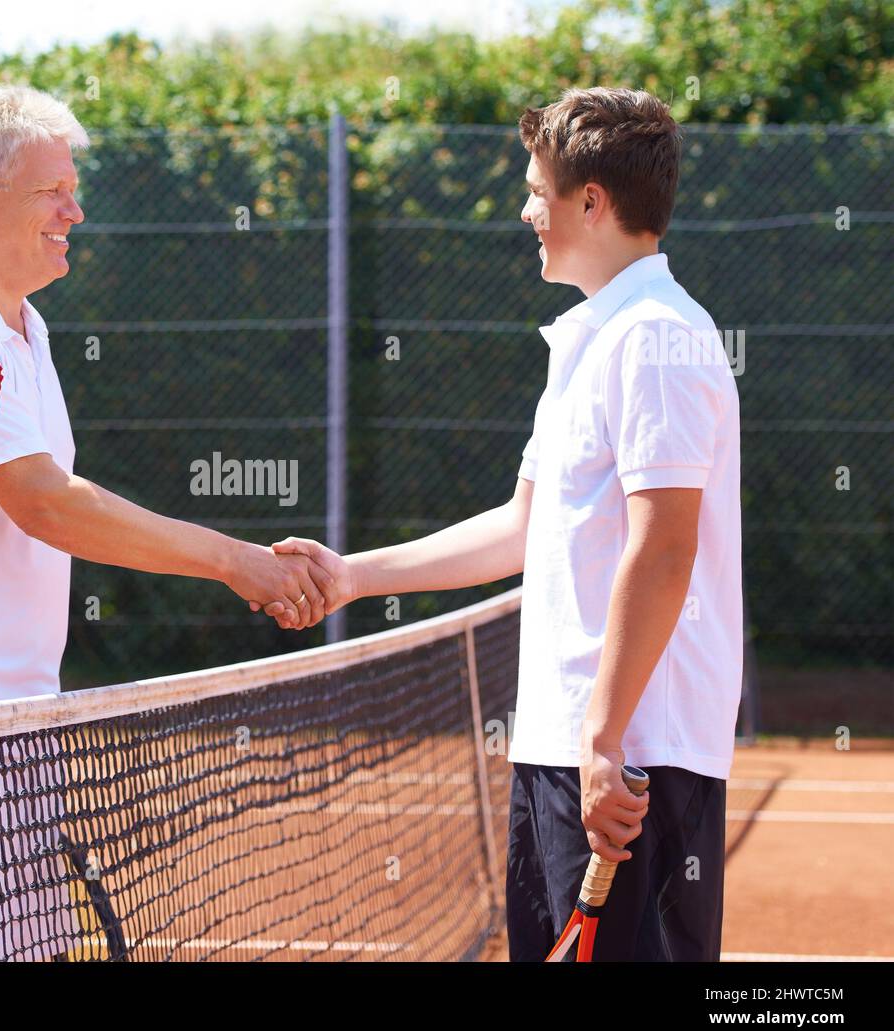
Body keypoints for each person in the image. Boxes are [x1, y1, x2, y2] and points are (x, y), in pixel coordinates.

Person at [0, 85, 335, 959]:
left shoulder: (22, 328)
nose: (76, 208)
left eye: (72, 186)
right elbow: (44, 502)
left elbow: (52, 487)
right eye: (52, 191)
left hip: (11, 717)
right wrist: (235, 562)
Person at [269, 87, 742, 962]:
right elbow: (523, 526)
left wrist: (604, 740)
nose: (525, 211)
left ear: (592, 202)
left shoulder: (657, 339)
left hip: (631, 763)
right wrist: (354, 575)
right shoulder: (589, 342)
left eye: (537, 190)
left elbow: (666, 545)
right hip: (567, 749)